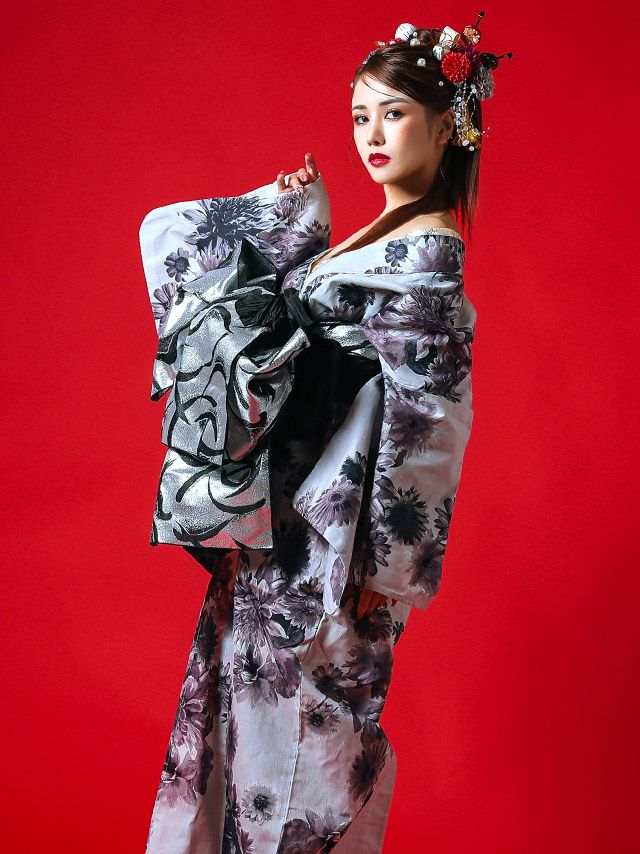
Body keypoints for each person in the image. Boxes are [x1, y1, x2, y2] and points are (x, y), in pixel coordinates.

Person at [139, 18, 511, 854]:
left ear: (448, 125)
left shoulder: (430, 254)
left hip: (336, 552)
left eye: (394, 114)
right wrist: (293, 218)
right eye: (359, 116)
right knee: (247, 737)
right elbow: (273, 327)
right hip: (281, 531)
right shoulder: (376, 234)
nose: (372, 135)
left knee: (303, 756)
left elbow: (429, 420)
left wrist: (389, 568)